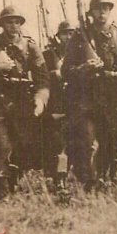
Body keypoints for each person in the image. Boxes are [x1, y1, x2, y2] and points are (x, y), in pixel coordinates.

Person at [62, 0, 117, 193]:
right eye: (98, 9)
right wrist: (84, 68)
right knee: (88, 138)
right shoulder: (79, 38)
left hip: (113, 97)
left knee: (110, 140)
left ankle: (106, 178)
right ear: (91, 13)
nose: (102, 13)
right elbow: (66, 70)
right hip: (86, 98)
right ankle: (89, 181)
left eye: (106, 8)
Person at [0, 6, 49, 199]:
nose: (13, 26)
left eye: (17, 22)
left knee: (23, 145)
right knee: (1, 143)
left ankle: (12, 180)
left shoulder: (30, 46)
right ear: (2, 25)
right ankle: (2, 188)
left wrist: (40, 99)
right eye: (9, 22)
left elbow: (42, 78)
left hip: (22, 100)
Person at [43, 20, 75, 188]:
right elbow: (40, 75)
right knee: (57, 142)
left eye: (71, 33)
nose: (68, 37)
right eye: (65, 34)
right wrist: (54, 73)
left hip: (74, 102)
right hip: (55, 102)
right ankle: (58, 178)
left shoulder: (79, 52)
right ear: (58, 36)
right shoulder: (48, 54)